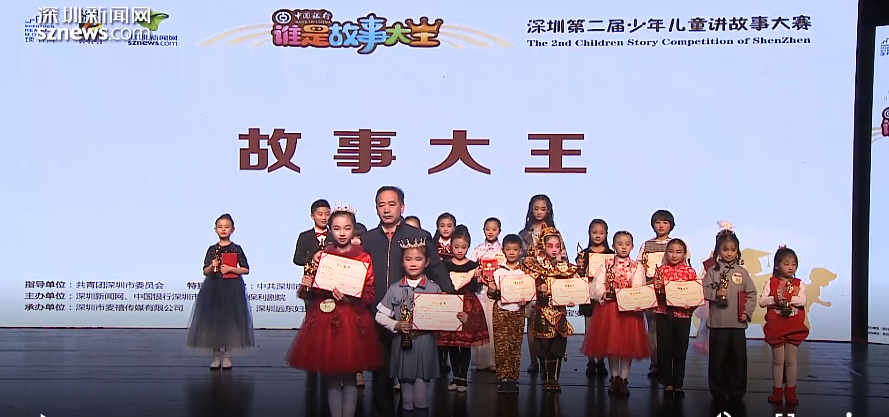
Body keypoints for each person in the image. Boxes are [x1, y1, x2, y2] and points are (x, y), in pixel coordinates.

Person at [363, 186, 453, 417]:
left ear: (402, 207)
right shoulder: (367, 239)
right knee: (380, 370)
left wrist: (450, 295)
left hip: (414, 319)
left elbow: (436, 267)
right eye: (381, 205)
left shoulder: (418, 236)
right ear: (376, 209)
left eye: (392, 204)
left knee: (410, 375)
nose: (386, 209)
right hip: (378, 313)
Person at [286, 206, 381, 417]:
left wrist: (349, 298)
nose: (342, 233)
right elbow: (310, 292)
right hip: (326, 319)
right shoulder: (323, 256)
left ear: (354, 229)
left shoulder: (363, 258)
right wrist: (307, 285)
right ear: (330, 229)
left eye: (347, 228)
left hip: (353, 319)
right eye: (337, 228)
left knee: (350, 377)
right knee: (331, 377)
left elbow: (369, 292)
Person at [375, 237, 467, 417]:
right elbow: (379, 315)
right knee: (406, 395)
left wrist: (459, 318)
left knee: (422, 393)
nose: (413, 263)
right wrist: (396, 325)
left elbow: (446, 315)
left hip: (425, 344)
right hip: (402, 343)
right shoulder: (395, 288)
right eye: (408, 259)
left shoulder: (434, 288)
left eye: (418, 259)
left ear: (427, 262)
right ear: (402, 262)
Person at [582, 231, 649, 396]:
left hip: (629, 312)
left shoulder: (637, 266)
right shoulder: (606, 264)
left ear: (632, 247)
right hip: (610, 311)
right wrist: (603, 293)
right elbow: (596, 284)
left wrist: (634, 299)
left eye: (627, 244)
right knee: (611, 346)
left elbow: (639, 287)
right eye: (620, 244)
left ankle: (624, 379)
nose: (624, 247)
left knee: (627, 346)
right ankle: (614, 377)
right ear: (613, 246)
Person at [186, 213, 254, 370]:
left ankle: (227, 355)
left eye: (227, 227)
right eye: (220, 227)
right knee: (214, 322)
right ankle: (216, 355)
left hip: (232, 288)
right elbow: (205, 271)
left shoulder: (236, 249)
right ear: (215, 229)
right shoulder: (212, 249)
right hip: (213, 287)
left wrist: (231, 269)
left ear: (233, 229)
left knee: (230, 322)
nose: (223, 229)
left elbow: (246, 269)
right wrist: (212, 266)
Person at [703, 225, 757, 402]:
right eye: (725, 249)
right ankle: (718, 390)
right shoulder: (712, 271)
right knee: (718, 359)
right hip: (718, 323)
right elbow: (703, 291)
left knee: (738, 360)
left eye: (733, 250)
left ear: (737, 252)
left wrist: (746, 313)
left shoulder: (742, 272)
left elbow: (752, 294)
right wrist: (716, 294)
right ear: (718, 251)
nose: (729, 253)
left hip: (737, 323)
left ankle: (736, 391)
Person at [522, 227, 578, 392]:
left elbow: (575, 287)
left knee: (558, 347)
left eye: (557, 246)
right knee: (543, 347)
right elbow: (526, 287)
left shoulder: (566, 267)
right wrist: (538, 288)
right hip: (542, 312)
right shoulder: (534, 266)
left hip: (560, 313)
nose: (554, 250)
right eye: (550, 246)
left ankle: (554, 380)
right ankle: (546, 379)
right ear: (543, 246)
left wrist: (573, 297)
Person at [437, 225, 489, 392]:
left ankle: (463, 378)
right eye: (456, 247)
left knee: (465, 344)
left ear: (468, 247)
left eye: (464, 247)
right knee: (452, 344)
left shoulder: (473, 265)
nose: (460, 250)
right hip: (450, 305)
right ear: (451, 246)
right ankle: (455, 377)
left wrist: (477, 278)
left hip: (468, 306)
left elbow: (475, 289)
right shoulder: (445, 265)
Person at [517, 194, 564, 373]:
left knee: (552, 321)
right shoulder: (523, 234)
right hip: (531, 283)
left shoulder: (555, 233)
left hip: (551, 283)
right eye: (536, 209)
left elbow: (563, 257)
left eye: (543, 209)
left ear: (548, 210)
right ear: (531, 210)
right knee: (532, 321)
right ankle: (533, 360)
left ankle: (549, 362)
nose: (539, 212)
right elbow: (518, 259)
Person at [636, 209, 682, 379]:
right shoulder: (646, 245)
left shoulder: (677, 244)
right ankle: (655, 363)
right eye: (657, 222)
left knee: (672, 327)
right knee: (653, 327)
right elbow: (639, 267)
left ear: (671, 225)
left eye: (665, 222)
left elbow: (685, 264)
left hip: (672, 290)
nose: (661, 225)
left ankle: (671, 364)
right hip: (651, 289)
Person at [760, 246, 808, 405]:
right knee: (778, 360)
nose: (791, 267)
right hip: (776, 327)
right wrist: (776, 299)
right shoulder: (771, 282)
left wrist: (787, 298)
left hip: (793, 327)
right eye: (786, 264)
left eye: (794, 264)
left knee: (790, 360)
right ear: (776, 266)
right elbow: (762, 301)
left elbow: (802, 301)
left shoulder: (799, 284)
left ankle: (791, 391)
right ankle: (777, 391)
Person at [653, 239, 699, 398]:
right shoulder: (661, 270)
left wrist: (690, 304)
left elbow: (695, 294)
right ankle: (667, 383)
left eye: (678, 252)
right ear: (666, 252)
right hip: (663, 314)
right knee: (664, 349)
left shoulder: (690, 272)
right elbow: (655, 295)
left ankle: (678, 384)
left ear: (685, 254)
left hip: (683, 316)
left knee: (680, 350)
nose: (674, 255)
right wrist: (656, 287)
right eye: (671, 251)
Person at [486, 234, 529, 393]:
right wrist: (491, 290)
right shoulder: (497, 272)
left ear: (520, 251)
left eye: (515, 249)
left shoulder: (525, 272)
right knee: (501, 345)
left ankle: (513, 378)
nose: (511, 252)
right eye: (508, 249)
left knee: (515, 345)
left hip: (517, 311)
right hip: (501, 311)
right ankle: (503, 378)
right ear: (503, 250)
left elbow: (528, 293)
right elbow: (492, 295)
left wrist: (526, 300)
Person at [575, 218, 612, 377]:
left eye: (601, 233)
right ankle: (590, 361)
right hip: (588, 294)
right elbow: (578, 275)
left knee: (603, 330)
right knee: (589, 329)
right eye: (594, 232)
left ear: (606, 234)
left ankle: (601, 361)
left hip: (604, 295)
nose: (598, 235)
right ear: (589, 233)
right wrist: (580, 266)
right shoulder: (583, 254)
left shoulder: (611, 255)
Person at [469, 217, 503, 372]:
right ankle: (481, 360)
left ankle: (495, 360)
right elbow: (471, 271)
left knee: (494, 326)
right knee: (481, 325)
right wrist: (476, 275)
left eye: (494, 229)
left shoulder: (502, 251)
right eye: (488, 229)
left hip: (496, 293)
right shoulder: (477, 250)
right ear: (483, 230)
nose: (490, 232)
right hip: (481, 292)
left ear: (499, 231)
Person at [293, 199, 332, 310]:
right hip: (310, 285)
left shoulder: (335, 236)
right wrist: (312, 259)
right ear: (312, 216)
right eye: (320, 214)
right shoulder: (304, 236)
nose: (324, 218)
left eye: (327, 214)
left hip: (330, 285)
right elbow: (297, 259)